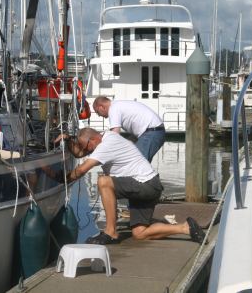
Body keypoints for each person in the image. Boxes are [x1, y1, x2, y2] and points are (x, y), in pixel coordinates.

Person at [55, 128, 205, 245]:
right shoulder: (106, 137)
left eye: (85, 146)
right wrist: (68, 140)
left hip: (146, 185)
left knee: (104, 182)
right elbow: (79, 153)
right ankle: (186, 228)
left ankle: (110, 232)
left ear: (93, 139)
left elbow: (80, 170)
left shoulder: (106, 145)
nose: (85, 150)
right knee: (139, 233)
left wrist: (60, 179)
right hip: (148, 185)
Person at [92, 96, 166, 162]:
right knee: (136, 162)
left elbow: (114, 135)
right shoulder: (118, 105)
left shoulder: (113, 109)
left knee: (138, 163)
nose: (99, 115)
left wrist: (103, 152)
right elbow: (135, 134)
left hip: (151, 132)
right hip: (154, 131)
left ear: (101, 107)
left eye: (97, 112)